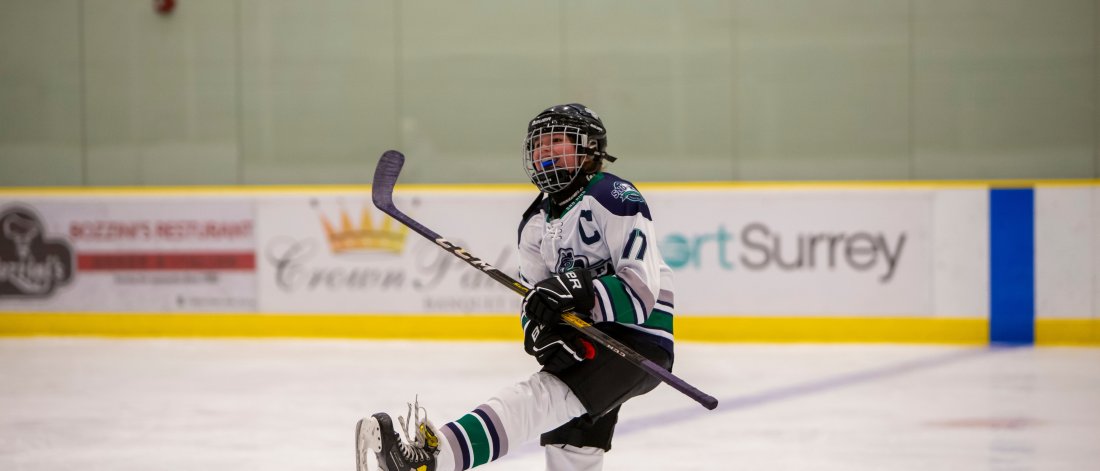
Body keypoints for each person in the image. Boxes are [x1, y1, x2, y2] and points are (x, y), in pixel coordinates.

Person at [356, 103, 676, 471]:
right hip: (588, 338)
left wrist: (575, 288)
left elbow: (641, 291)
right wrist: (540, 328)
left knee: (539, 398)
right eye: (539, 145)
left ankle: (433, 459)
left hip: (635, 339)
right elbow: (534, 300)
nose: (545, 151)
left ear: (589, 148)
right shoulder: (534, 223)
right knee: (570, 437)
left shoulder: (612, 195)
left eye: (557, 141)